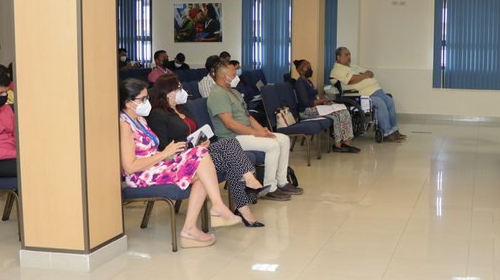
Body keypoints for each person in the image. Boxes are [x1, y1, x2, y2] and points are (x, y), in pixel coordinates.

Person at [118, 78, 241, 248]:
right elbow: (130, 166)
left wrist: (172, 153)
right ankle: (215, 209)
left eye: (147, 97)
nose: (147, 102)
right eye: (143, 99)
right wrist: (165, 154)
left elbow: (154, 152)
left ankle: (193, 227)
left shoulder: (140, 119)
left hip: (156, 166)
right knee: (200, 160)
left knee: (201, 165)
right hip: (141, 175)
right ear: (128, 102)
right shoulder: (124, 125)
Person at [148, 74, 269, 227]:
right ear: (167, 91)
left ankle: (249, 186)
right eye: (178, 88)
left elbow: (195, 131)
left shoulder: (182, 108)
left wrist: (202, 140)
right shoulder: (157, 114)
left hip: (197, 150)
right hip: (180, 158)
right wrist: (190, 147)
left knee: (230, 144)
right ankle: (246, 203)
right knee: (231, 160)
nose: (182, 91)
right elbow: (164, 147)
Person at [207, 61, 302, 201]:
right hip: (232, 139)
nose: (237, 77)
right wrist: (256, 133)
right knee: (273, 145)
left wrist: (262, 130)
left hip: (245, 134)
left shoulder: (234, 92)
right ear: (224, 77)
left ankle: (282, 181)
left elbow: (248, 116)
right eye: (233, 74)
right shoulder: (218, 95)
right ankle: (270, 187)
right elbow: (230, 124)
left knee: (283, 139)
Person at [330, 47, 405, 143]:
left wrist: (364, 75)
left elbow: (369, 72)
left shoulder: (353, 66)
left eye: (349, 54)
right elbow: (351, 80)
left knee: (389, 101)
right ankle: (387, 133)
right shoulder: (337, 70)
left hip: (374, 91)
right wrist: (364, 76)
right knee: (380, 103)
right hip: (361, 95)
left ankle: (394, 131)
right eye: (346, 55)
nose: (349, 57)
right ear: (338, 57)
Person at [294, 59, 359, 153]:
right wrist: (323, 100)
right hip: (306, 111)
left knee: (344, 111)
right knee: (337, 114)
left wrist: (324, 103)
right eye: (306, 67)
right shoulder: (300, 83)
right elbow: (307, 103)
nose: (309, 68)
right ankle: (338, 144)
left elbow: (314, 98)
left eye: (310, 66)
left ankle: (346, 141)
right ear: (301, 70)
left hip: (315, 108)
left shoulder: (308, 82)